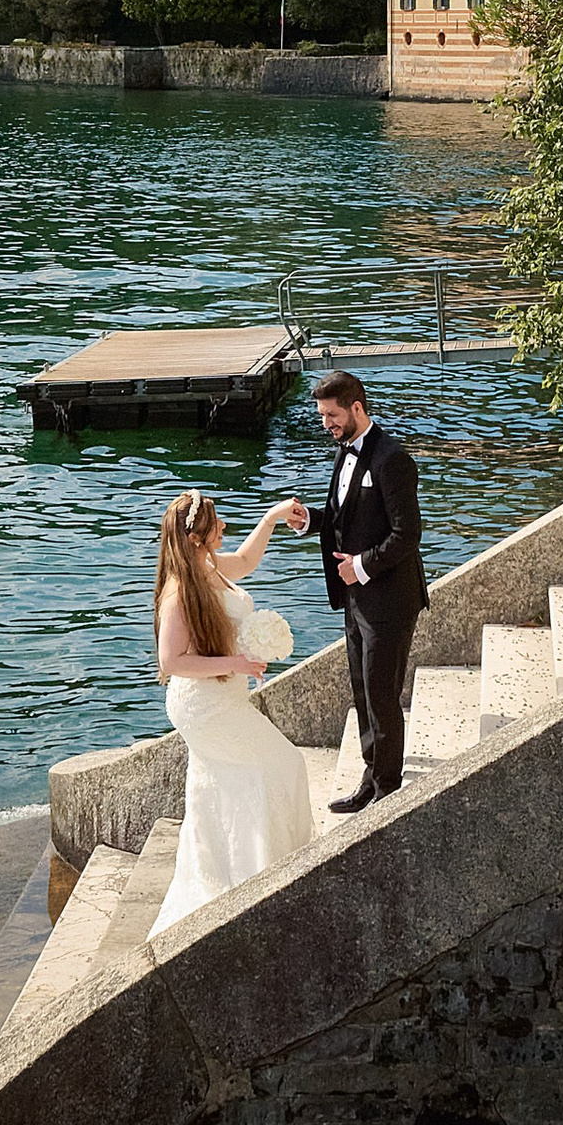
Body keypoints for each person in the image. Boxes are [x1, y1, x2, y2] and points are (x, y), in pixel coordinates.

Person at [148, 489, 313, 937]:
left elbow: (246, 559)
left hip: (224, 698)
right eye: (217, 525)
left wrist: (275, 517)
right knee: (282, 764)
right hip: (204, 707)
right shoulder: (181, 590)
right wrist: (237, 663)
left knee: (233, 782)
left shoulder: (208, 567)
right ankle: (264, 875)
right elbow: (171, 663)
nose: (224, 529)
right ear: (199, 538)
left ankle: (242, 876)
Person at [311, 369, 428, 815]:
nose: (327, 424)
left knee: (382, 696)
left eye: (332, 415)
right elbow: (347, 516)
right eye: (323, 415)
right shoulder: (345, 452)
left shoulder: (392, 459)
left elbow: (407, 535)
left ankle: (387, 792)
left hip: (390, 601)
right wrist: (314, 522)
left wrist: (360, 566)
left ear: (357, 408)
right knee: (362, 692)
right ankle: (370, 778)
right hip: (356, 599)